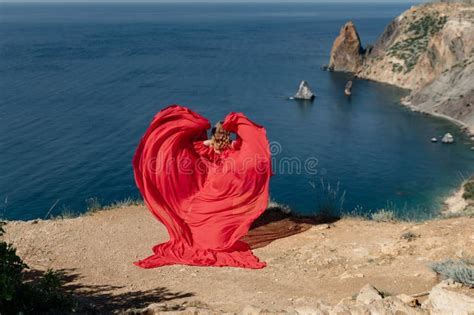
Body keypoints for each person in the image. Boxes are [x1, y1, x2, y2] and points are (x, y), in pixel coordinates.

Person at [132, 105, 272, 269]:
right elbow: (247, 147)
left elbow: (189, 146)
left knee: (204, 212)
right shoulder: (232, 145)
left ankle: (205, 236)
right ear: (227, 134)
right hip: (224, 184)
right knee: (222, 213)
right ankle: (218, 234)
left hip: (210, 184)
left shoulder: (207, 144)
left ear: (214, 133)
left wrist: (193, 130)